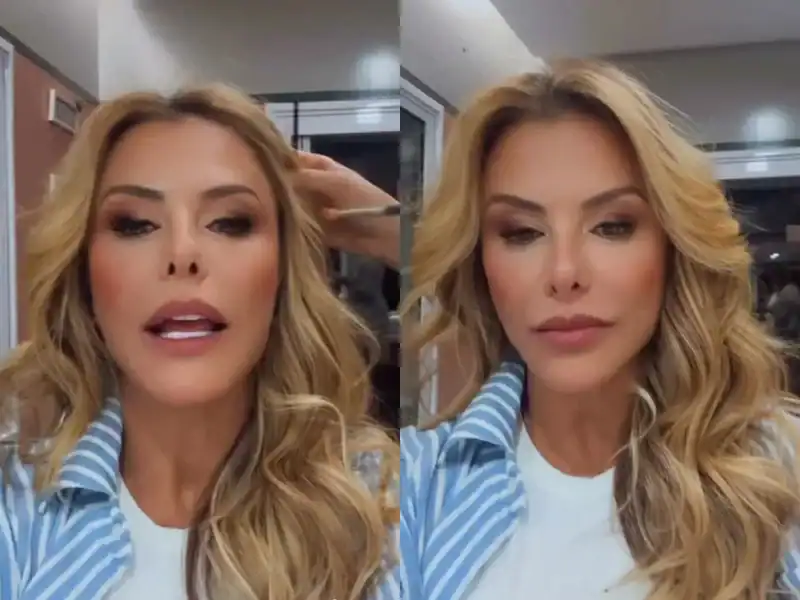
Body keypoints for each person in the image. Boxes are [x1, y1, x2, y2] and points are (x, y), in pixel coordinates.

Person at [397, 59, 800, 599]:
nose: (564, 273)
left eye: (612, 226)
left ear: (672, 248)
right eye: (522, 232)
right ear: (480, 263)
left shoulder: (780, 471)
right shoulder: (408, 484)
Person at [0, 85, 401, 600]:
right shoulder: (15, 504)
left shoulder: (380, 509)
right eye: (135, 224)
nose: (183, 253)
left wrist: (398, 233)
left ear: (284, 271)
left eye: (230, 222)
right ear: (83, 271)